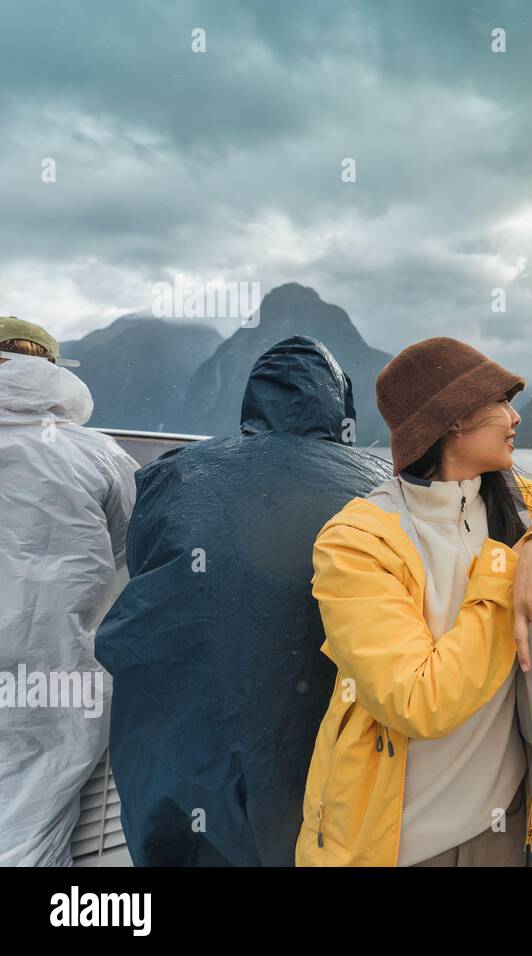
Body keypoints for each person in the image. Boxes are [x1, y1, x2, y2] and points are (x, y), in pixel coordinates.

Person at [296, 336, 532, 866]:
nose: (515, 418)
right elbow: (418, 701)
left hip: (499, 825)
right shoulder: (356, 540)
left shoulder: (512, 501)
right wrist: (507, 568)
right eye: (501, 403)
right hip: (400, 842)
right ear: (454, 420)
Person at [95, 336, 391, 866]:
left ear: (253, 399)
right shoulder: (380, 487)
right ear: (341, 406)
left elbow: (143, 567)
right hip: (314, 752)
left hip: (178, 736)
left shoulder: (175, 471)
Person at [0, 316, 137, 866]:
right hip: (57, 677)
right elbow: (142, 552)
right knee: (33, 815)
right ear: (53, 371)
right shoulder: (100, 454)